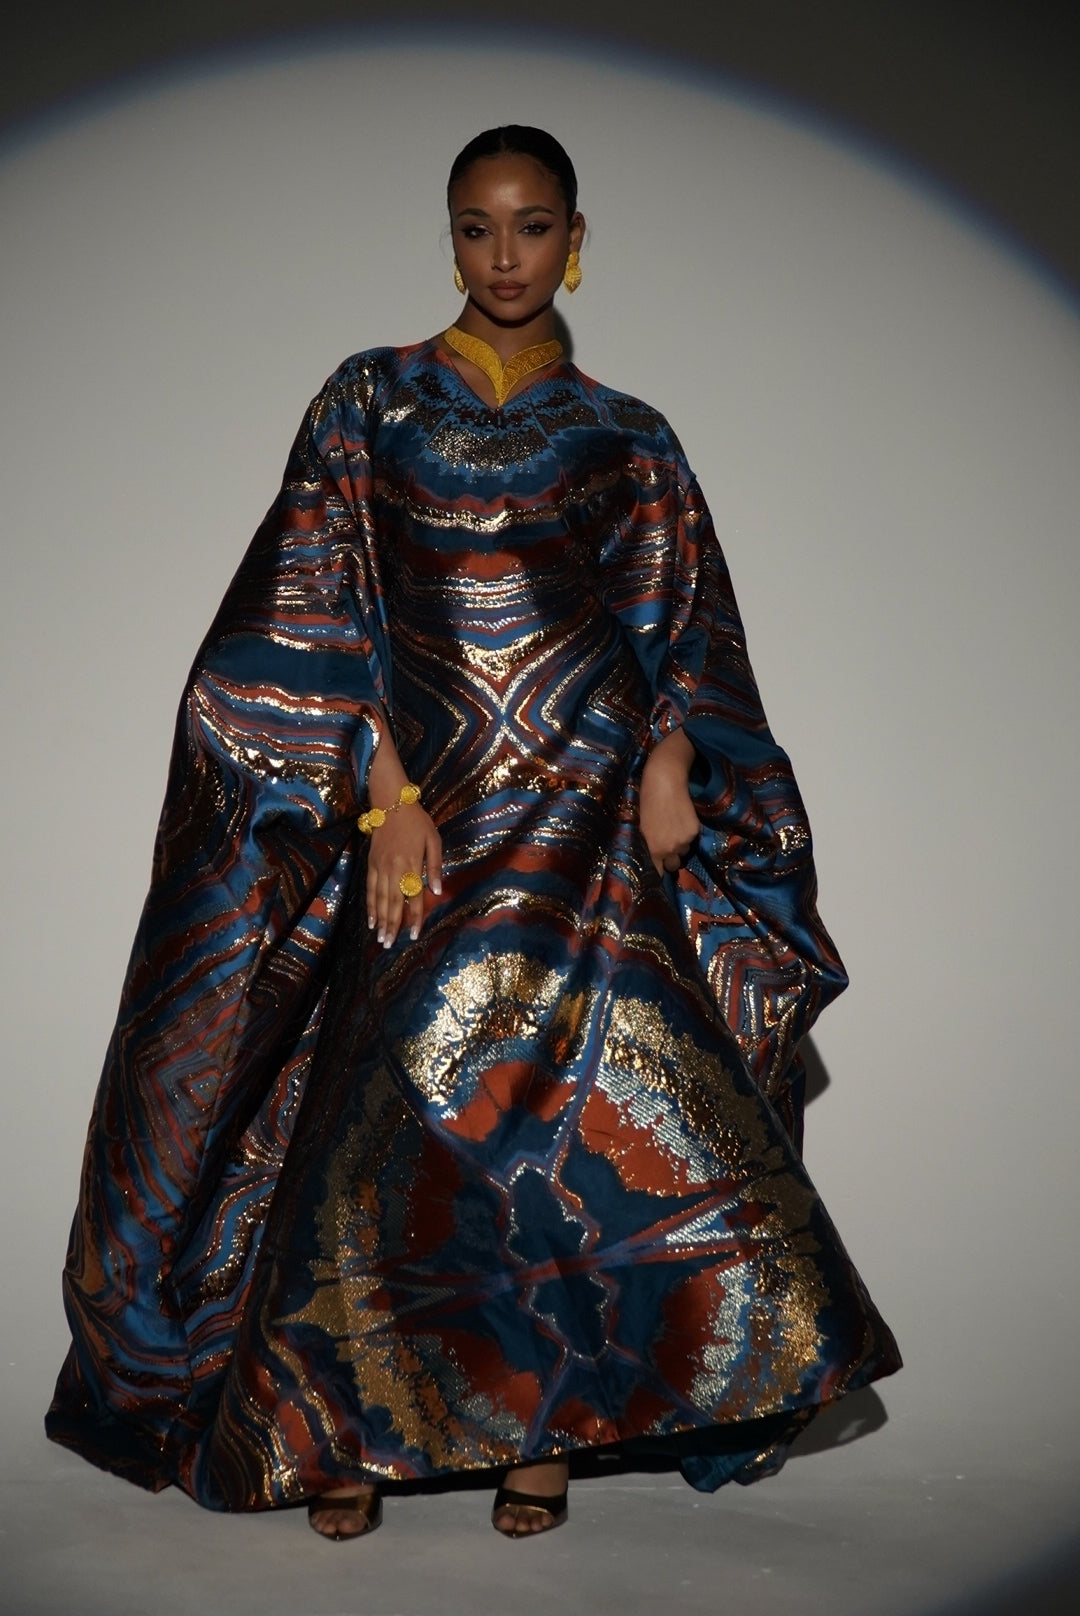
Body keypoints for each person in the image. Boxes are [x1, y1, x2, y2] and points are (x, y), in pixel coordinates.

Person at [45, 125, 901, 1542]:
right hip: (426, 816)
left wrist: (673, 754)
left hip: (586, 811)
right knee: (383, 1104)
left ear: (577, 237)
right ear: (448, 236)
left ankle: (543, 1428)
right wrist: (383, 797)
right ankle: (334, 1423)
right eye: (477, 227)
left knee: (560, 1123)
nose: (505, 255)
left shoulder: (629, 433)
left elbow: (684, 623)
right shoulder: (371, 400)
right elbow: (314, 609)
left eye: (533, 226)